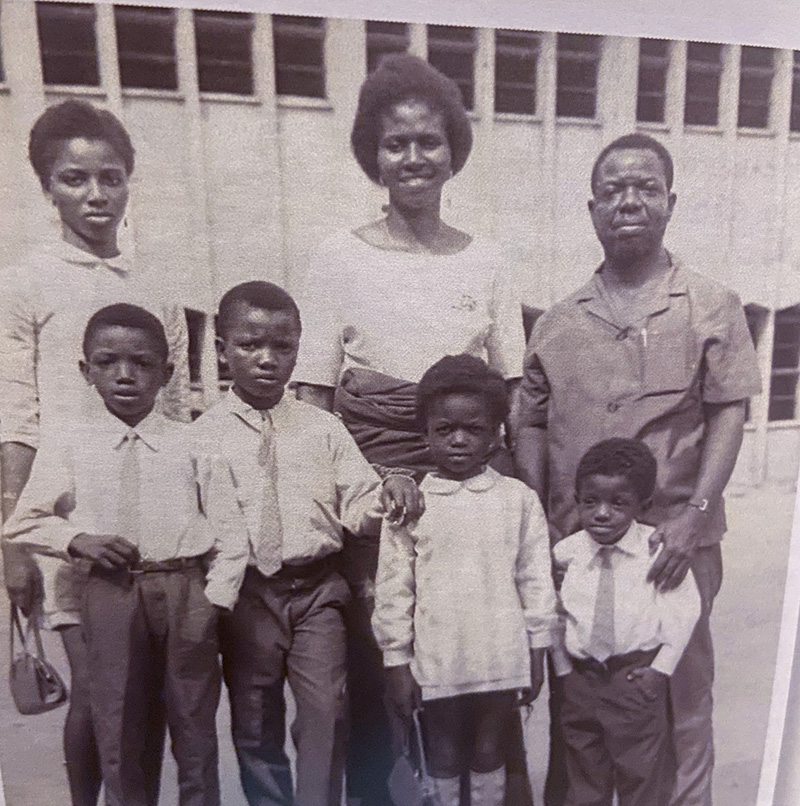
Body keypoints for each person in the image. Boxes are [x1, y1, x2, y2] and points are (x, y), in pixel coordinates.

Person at [293, 54, 528, 806]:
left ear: (453, 149)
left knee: (475, 670)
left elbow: (514, 393)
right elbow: (312, 397)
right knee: (383, 677)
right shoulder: (337, 257)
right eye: (396, 143)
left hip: (470, 496)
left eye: (429, 140)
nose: (414, 157)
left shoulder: (488, 259)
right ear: (373, 154)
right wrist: (366, 497)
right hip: (373, 496)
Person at [515, 132, 762, 806]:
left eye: (646, 187)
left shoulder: (712, 304)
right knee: (582, 712)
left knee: (678, 701)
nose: (630, 200)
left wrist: (695, 516)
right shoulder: (558, 322)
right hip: (582, 548)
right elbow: (529, 419)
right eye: (614, 190)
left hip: (672, 545)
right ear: (592, 208)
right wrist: (541, 523)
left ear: (670, 203)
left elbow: (729, 413)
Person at [0, 99, 190, 806]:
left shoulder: (159, 283)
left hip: (153, 522)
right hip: (67, 522)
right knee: (93, 693)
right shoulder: (24, 283)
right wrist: (16, 541)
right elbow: (15, 417)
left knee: (146, 697)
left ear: (129, 181)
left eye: (110, 177)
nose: (95, 195)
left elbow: (174, 415)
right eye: (74, 178)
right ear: (47, 186)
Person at [4, 304, 247, 806]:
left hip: (184, 591)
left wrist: (213, 603)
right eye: (107, 361)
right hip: (109, 591)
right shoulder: (69, 443)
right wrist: (78, 540)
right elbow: (24, 520)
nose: (125, 375)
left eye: (141, 363)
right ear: (85, 370)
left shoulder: (194, 443)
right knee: (116, 722)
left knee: (194, 724)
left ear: (168, 372)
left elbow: (231, 536)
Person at [190, 281, 422, 806]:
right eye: (250, 345)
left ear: (299, 347)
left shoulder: (324, 428)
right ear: (223, 350)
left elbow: (359, 501)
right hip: (247, 596)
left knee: (329, 714)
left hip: (318, 592)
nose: (268, 360)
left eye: (284, 346)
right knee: (254, 723)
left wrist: (388, 493)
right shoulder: (201, 436)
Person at [372, 355, 556, 806]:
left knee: (491, 749)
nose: (458, 440)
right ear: (425, 433)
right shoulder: (411, 504)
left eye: (473, 429)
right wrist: (396, 661)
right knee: (444, 752)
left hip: (499, 654)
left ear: (496, 434)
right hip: (437, 661)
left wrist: (537, 651)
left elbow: (535, 579)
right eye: (444, 429)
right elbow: (394, 591)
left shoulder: (518, 500)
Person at [551, 438, 701, 806]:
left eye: (618, 503)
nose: (602, 513)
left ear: (643, 505)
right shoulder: (565, 554)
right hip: (582, 680)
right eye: (591, 502)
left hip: (634, 681)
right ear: (577, 499)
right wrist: (563, 670)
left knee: (644, 781)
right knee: (584, 780)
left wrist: (659, 671)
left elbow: (685, 612)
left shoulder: (657, 551)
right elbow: (554, 613)